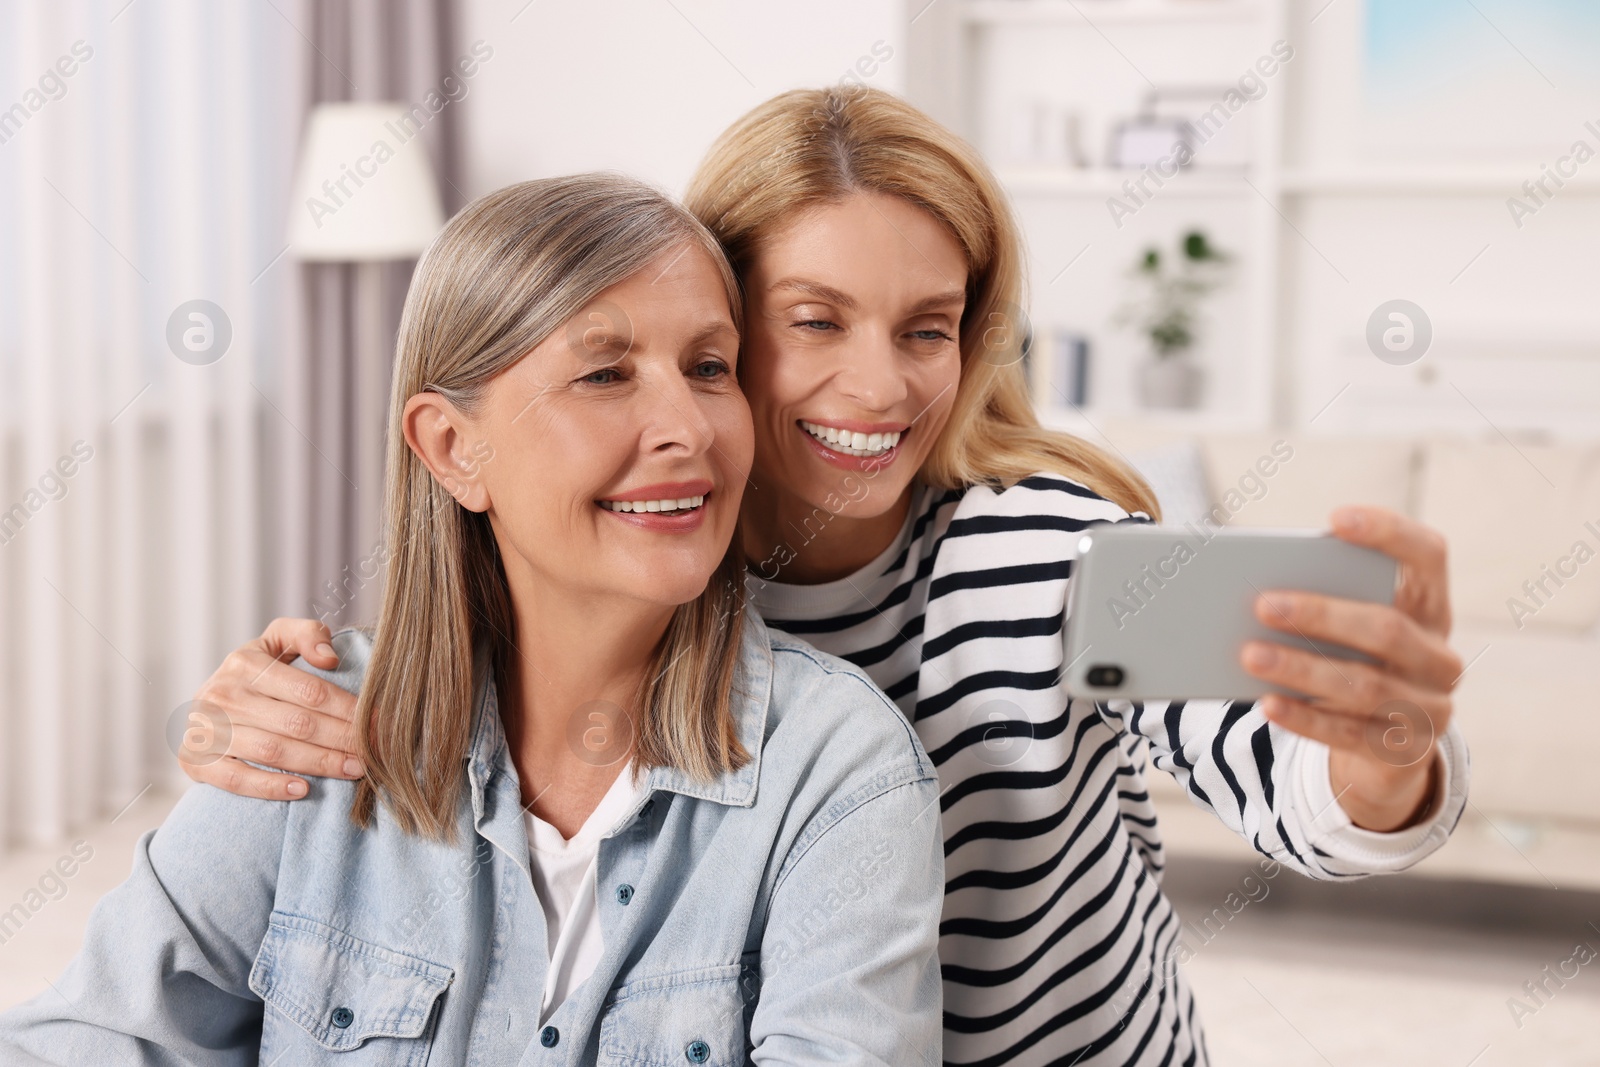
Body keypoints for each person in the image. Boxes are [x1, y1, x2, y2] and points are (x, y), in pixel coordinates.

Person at [179, 89, 1470, 1067]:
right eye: (814, 321)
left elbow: (1293, 781)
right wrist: (262, 702)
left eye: (928, 329)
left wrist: (1380, 752)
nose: (882, 385)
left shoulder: (1048, 550)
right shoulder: (660, 557)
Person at [0, 174, 945, 1065]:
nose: (689, 429)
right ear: (452, 447)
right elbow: (91, 1035)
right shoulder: (305, 731)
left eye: (709, 366)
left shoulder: (839, 770)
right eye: (605, 374)